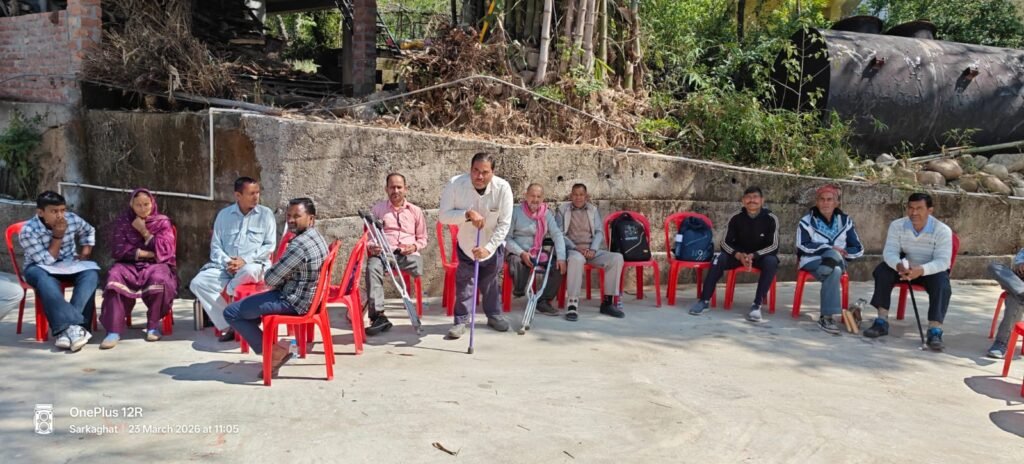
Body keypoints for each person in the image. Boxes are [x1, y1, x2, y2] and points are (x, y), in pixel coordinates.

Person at [224, 198, 328, 378]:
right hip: (309, 298)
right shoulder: (317, 236)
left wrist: (278, 274)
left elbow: (270, 279)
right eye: (289, 216)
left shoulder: (299, 245)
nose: (291, 220)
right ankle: (268, 346)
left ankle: (275, 353)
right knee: (248, 309)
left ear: (311, 218)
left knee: (231, 312)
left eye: (297, 216)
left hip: (293, 301)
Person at [189, 177, 276, 342]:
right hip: (227, 267)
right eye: (251, 193)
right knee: (198, 283)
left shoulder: (266, 215)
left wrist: (244, 260)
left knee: (249, 271)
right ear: (238, 195)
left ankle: (231, 293)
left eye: (257, 192)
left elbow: (269, 246)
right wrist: (228, 262)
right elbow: (216, 247)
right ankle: (231, 324)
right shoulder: (224, 215)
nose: (256, 197)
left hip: (253, 266)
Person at [862, 192, 953, 350]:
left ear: (930, 210)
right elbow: (890, 252)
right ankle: (881, 321)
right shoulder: (897, 225)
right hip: (904, 268)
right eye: (911, 208)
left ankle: (935, 330)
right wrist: (898, 265)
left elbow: (943, 261)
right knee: (882, 271)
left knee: (942, 283)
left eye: (919, 208)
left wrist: (921, 270)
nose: (914, 212)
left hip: (928, 271)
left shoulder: (942, 230)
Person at [438, 152, 514, 339]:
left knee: (490, 282)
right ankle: (460, 321)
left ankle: (494, 315)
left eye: (485, 172)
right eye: (475, 171)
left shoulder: (503, 188)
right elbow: (443, 216)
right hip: (467, 244)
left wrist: (488, 248)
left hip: (492, 245)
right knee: (465, 284)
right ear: (470, 169)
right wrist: (467, 214)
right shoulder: (455, 184)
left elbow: (504, 224)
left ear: (493, 172)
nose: (479, 176)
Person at [98, 188, 178, 349]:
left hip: (156, 265)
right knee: (114, 276)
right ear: (131, 205)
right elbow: (118, 250)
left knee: (160, 279)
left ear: (152, 203)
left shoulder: (162, 222)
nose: (143, 209)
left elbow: (166, 250)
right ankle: (113, 331)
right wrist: (148, 253)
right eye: (138, 205)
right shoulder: (123, 222)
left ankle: (153, 326)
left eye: (146, 204)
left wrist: (143, 231)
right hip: (129, 264)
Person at [19, 191, 99, 352]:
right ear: (40, 212)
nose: (60, 215)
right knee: (45, 281)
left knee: (91, 274)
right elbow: (46, 261)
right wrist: (58, 236)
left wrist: (84, 254)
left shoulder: (71, 219)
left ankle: (67, 330)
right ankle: (76, 327)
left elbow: (89, 230)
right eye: (54, 211)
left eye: (62, 210)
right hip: (38, 267)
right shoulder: (28, 231)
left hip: (68, 263)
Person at [689, 186, 779, 322]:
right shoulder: (736, 217)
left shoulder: (771, 218)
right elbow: (724, 243)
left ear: (762, 200)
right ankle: (704, 300)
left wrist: (753, 256)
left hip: (759, 256)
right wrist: (738, 255)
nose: (752, 200)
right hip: (738, 256)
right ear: (743, 201)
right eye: (748, 197)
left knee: (771, 262)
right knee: (718, 258)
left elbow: (774, 246)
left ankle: (756, 305)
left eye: (755, 197)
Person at [364, 173, 428, 336]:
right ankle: (378, 316)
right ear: (386, 189)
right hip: (385, 254)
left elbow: (423, 239)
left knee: (416, 265)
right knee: (372, 266)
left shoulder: (415, 211)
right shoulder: (378, 210)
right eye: (392, 187)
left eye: (399, 187)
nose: (396, 191)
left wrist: (413, 247)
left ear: (406, 189)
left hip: (409, 257)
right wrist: (373, 247)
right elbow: (370, 238)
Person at [796, 185, 864, 335]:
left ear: (836, 203)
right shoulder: (807, 221)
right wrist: (829, 249)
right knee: (836, 268)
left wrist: (843, 252)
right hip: (813, 260)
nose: (825, 203)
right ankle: (828, 317)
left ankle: (826, 317)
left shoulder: (845, 221)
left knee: (835, 268)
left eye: (829, 199)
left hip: (840, 260)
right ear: (817, 202)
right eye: (822, 199)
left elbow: (858, 248)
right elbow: (802, 245)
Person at [555, 183, 625, 321]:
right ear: (571, 196)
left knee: (616, 258)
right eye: (575, 194)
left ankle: (608, 302)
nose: (578, 197)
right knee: (576, 260)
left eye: (581, 195)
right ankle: (572, 304)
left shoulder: (593, 210)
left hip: (591, 251)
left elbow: (599, 232)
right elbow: (559, 234)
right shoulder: (563, 210)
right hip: (574, 250)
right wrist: (575, 248)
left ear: (586, 196)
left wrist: (593, 249)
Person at [505, 183, 566, 316]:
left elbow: (557, 234)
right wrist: (521, 253)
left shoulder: (546, 214)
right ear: (526, 196)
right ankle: (519, 290)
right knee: (518, 261)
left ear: (543, 198)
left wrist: (561, 257)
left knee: (557, 265)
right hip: (517, 251)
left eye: (539, 197)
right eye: (532, 196)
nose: (535, 199)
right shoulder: (515, 212)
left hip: (537, 251)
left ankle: (543, 301)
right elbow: (506, 238)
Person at [986, 251, 1024, 358]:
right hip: (1018, 281)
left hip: (1015, 289)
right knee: (994, 266)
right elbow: (1018, 259)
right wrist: (1020, 264)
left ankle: (1001, 343)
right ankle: (1021, 291)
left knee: (1015, 299)